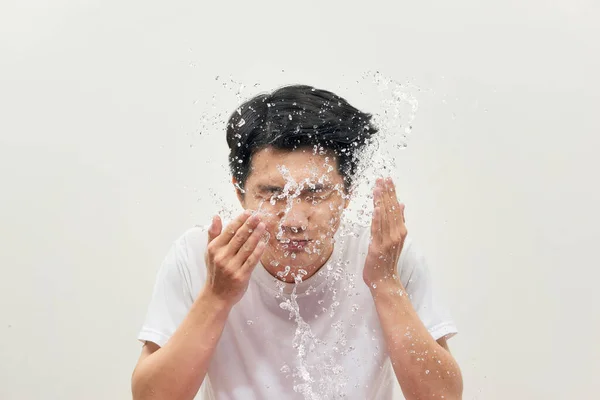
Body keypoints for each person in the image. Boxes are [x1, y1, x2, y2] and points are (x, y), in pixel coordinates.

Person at [131, 85, 463, 400]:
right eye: (273, 194)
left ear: (347, 193)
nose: (293, 220)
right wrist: (216, 297)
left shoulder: (385, 256)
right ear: (239, 191)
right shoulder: (199, 256)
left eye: (315, 193)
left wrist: (385, 283)